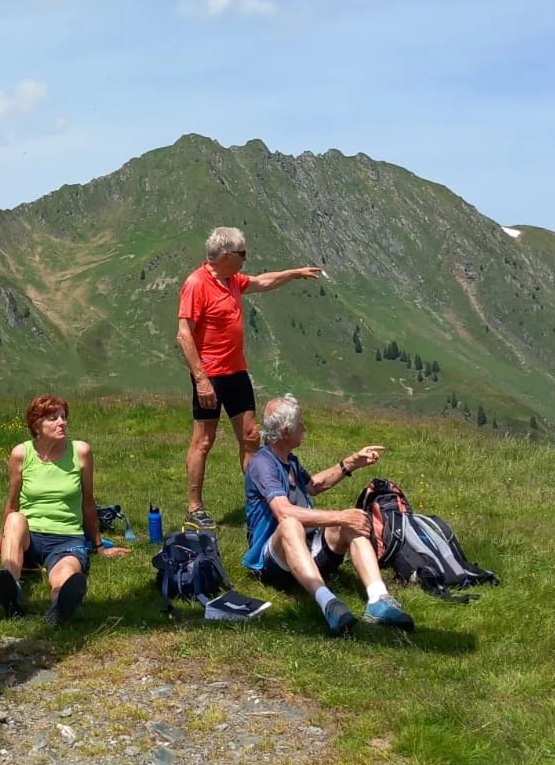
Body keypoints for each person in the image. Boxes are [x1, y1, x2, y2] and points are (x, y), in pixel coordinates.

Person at [177, 226, 326, 531]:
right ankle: (195, 508)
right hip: (211, 376)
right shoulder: (196, 283)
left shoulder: (232, 280)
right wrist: (201, 379)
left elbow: (261, 281)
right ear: (227, 255)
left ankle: (259, 500)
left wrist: (295, 273)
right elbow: (183, 334)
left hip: (237, 372)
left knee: (250, 437)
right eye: (242, 253)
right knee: (204, 440)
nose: (246, 259)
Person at [242, 393, 415, 633]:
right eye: (299, 423)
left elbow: (313, 486)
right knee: (292, 524)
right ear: (285, 431)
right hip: (273, 562)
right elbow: (283, 512)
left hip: (307, 546)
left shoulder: (289, 460)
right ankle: (329, 604)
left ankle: (379, 600)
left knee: (352, 519)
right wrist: (340, 516)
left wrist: (352, 462)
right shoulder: (263, 463)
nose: (304, 427)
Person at [0, 394, 128, 624]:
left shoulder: (80, 451)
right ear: (37, 425)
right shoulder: (21, 454)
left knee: (65, 574)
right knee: (16, 518)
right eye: (53, 418)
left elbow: (88, 501)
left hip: (67, 538)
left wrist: (98, 547)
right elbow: (12, 503)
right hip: (29, 538)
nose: (62, 422)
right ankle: (11, 590)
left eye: (63, 417)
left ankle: (59, 606)